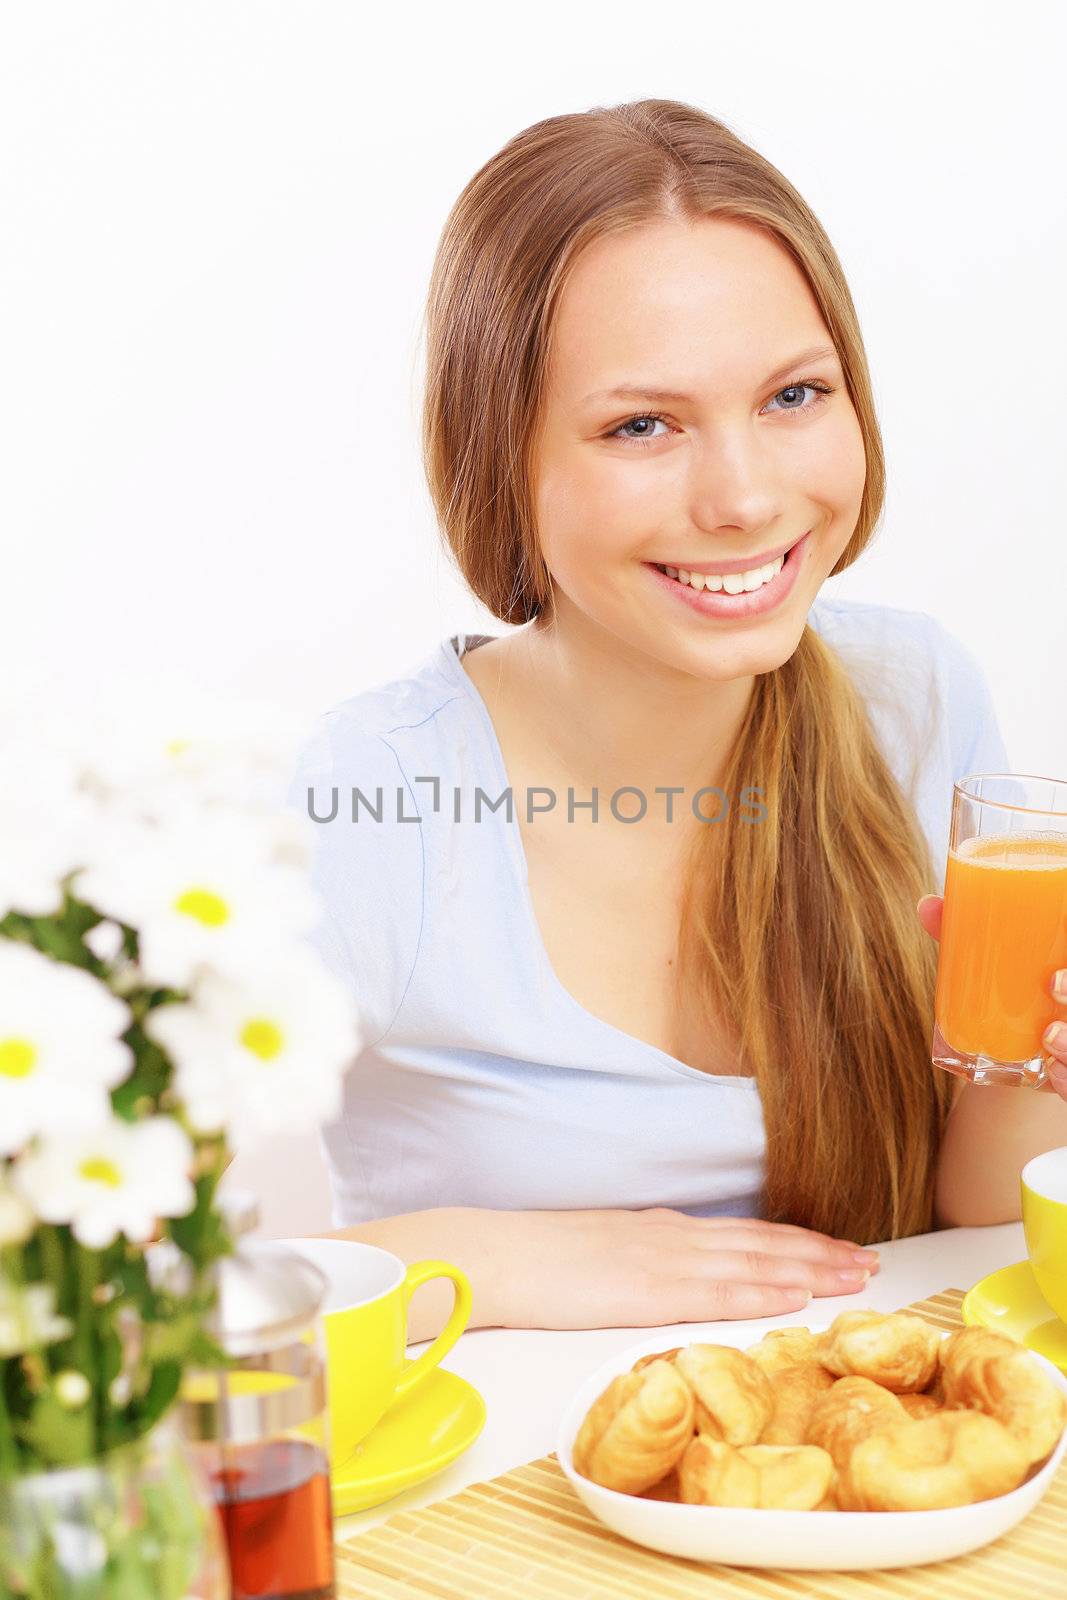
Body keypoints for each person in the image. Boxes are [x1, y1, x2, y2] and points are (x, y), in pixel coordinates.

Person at [290, 98, 1067, 1343]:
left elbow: (957, 1227)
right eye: (640, 425)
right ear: (502, 459)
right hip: (491, 1509)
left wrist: (1036, 1073)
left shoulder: (911, 699)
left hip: (847, 1466)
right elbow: (97, 1290)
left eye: (793, 395)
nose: (745, 496)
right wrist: (485, 1264)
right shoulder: (367, 794)